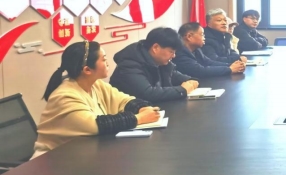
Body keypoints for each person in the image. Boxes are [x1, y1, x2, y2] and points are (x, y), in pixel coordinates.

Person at [33, 41, 161, 158]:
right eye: (103, 59)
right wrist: (139, 118)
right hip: (52, 160)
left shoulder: (96, 85)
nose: (108, 63)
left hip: (80, 154)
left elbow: (123, 100)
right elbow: (96, 125)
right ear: (87, 70)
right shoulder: (64, 96)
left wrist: (142, 108)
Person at [111, 27, 199, 103]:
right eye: (171, 52)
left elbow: (172, 74)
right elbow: (147, 93)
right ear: (155, 48)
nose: (174, 56)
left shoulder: (158, 60)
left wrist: (190, 80)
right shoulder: (129, 64)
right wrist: (182, 90)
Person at [174, 22, 246, 79]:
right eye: (202, 34)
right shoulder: (179, 52)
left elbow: (209, 62)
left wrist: (232, 65)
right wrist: (229, 69)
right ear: (189, 36)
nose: (204, 37)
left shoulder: (196, 50)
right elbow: (199, 71)